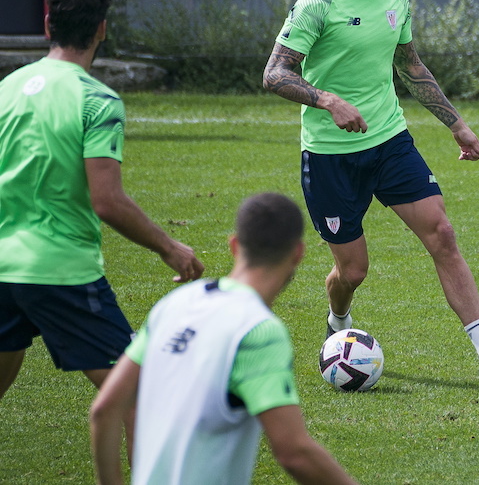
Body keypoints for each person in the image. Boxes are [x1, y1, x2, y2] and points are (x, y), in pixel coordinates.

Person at [262, 0, 479, 385]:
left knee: (442, 234)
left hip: (390, 142)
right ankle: (339, 325)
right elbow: (275, 72)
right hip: (329, 156)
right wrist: (327, 100)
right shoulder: (318, 1)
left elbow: (410, 67)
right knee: (353, 272)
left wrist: (456, 124)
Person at [0, 0, 204, 402]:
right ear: (102, 29)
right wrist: (170, 247)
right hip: (60, 270)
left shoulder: (8, 90)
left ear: (47, 26)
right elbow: (107, 200)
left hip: (3, 265)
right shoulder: (97, 100)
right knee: (138, 393)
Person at [90, 193, 359, 485]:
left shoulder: (175, 304)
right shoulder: (257, 330)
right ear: (297, 253)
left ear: (234, 246)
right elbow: (293, 452)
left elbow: (104, 409)